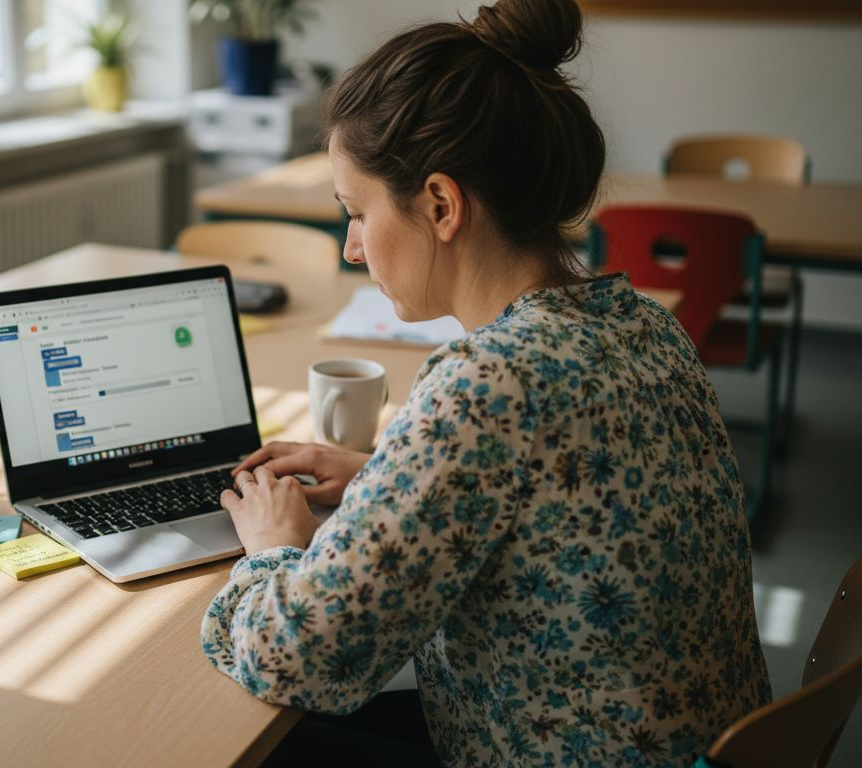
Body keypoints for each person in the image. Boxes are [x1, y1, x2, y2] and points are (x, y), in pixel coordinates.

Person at [200, 1, 773, 765]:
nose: (351, 249)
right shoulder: (641, 320)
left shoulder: (486, 384)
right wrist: (384, 479)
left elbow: (297, 657)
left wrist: (275, 547)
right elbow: (564, 501)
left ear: (440, 204)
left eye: (358, 212)